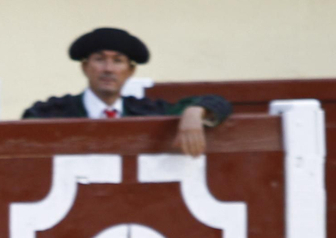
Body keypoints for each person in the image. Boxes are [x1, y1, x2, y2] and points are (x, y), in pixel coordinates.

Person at [21, 27, 232, 157]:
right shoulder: (53, 112)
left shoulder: (147, 110)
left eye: (118, 61)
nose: (108, 69)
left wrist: (196, 112)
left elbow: (220, 102)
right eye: (100, 59)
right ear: (85, 67)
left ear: (130, 71)